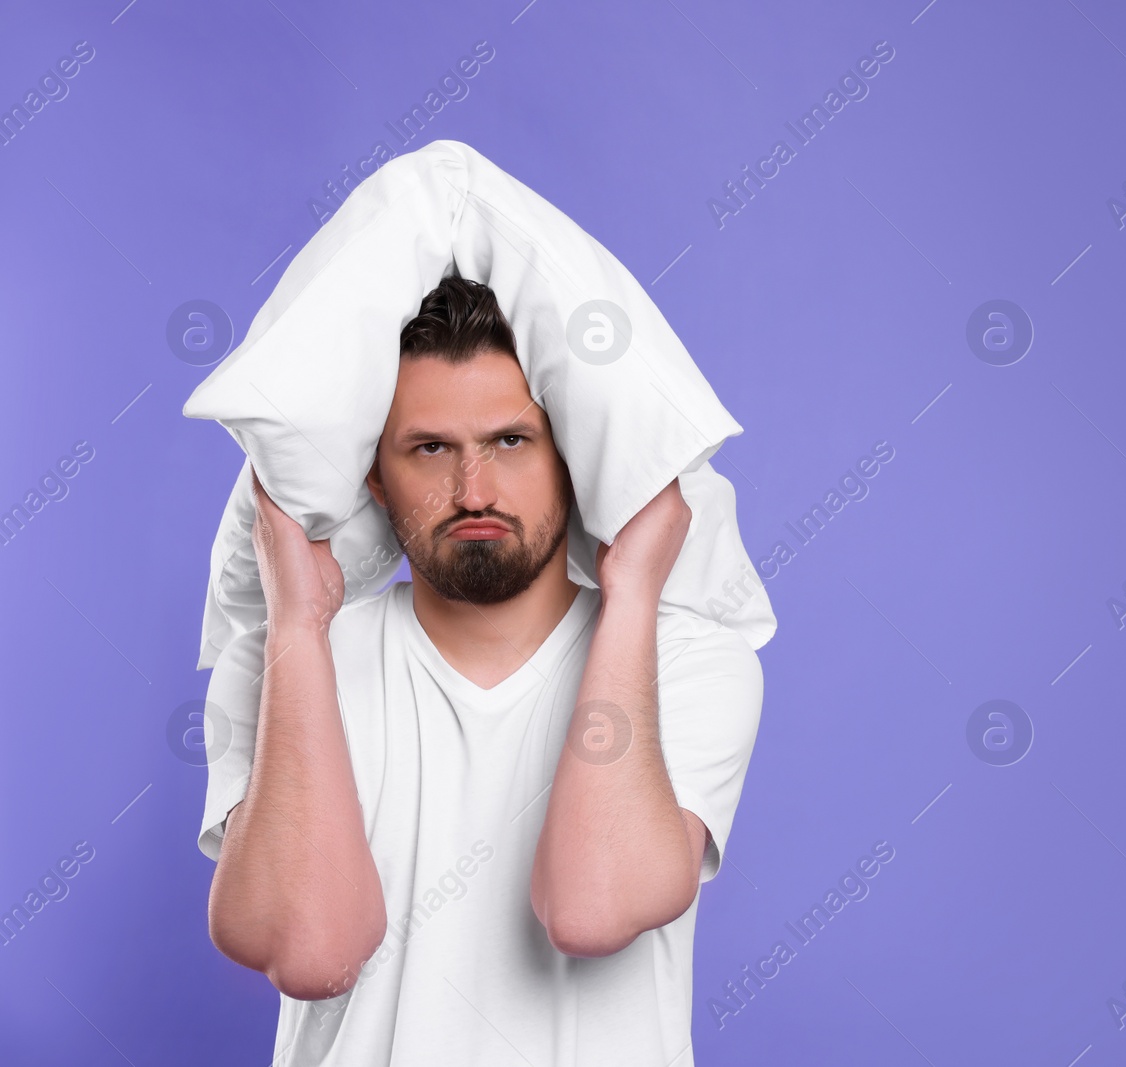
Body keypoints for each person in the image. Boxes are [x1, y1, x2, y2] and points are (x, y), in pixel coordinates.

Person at [201, 276, 764, 1065]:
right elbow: (311, 953)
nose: (474, 492)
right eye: (430, 448)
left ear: (571, 459)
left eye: (511, 440)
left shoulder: (692, 660)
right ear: (373, 475)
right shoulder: (283, 664)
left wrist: (632, 596)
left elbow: (591, 908)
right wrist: (296, 623)